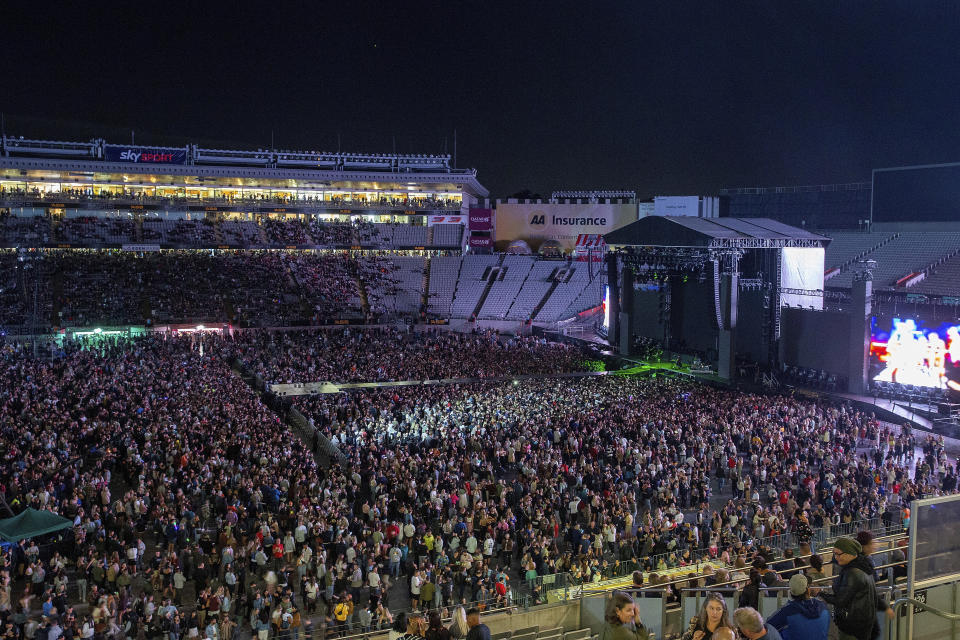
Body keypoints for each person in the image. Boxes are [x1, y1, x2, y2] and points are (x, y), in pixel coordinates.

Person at [820, 538, 893, 640]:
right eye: (834, 554)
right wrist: (885, 607)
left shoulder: (852, 573)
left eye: (838, 554)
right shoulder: (864, 567)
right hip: (863, 624)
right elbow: (871, 593)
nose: (836, 557)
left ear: (850, 553)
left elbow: (841, 601)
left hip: (852, 627)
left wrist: (821, 594)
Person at [766, 574, 829, 640]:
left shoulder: (788, 611)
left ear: (790, 592)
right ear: (808, 590)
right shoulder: (823, 606)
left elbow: (768, 626)